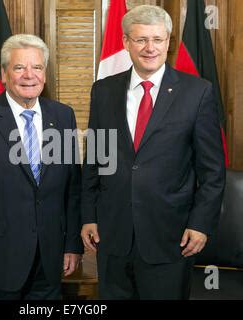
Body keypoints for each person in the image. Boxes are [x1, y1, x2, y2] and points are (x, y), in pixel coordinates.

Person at [81, 5, 226, 300]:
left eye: (158, 40)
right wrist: (89, 215)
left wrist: (200, 224)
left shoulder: (197, 92)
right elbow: (94, 160)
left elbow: (212, 171)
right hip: (112, 236)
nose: (150, 48)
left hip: (170, 237)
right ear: (125, 43)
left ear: (169, 42)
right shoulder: (103, 91)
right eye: (141, 40)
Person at [0, 34, 83, 300]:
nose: (28, 75)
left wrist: (72, 245)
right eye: (19, 67)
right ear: (4, 73)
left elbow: (72, 189)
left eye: (37, 67)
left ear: (45, 74)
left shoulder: (63, 116)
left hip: (49, 261)